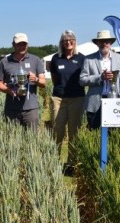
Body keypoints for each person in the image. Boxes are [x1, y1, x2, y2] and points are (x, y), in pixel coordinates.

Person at [80, 30, 120, 130]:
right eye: (101, 41)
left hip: (115, 103)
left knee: (115, 136)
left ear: (110, 43)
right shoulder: (88, 59)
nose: (104, 44)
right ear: (97, 43)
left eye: (107, 41)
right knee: (94, 135)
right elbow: (82, 80)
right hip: (94, 104)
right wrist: (100, 77)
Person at [0, 33, 46, 132]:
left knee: (32, 141)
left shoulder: (35, 60)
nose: (22, 46)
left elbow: (43, 83)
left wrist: (35, 79)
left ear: (27, 45)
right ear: (13, 44)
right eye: (19, 44)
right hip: (11, 108)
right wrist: (10, 91)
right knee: (13, 140)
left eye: (24, 44)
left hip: (31, 108)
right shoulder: (5, 62)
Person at [49, 30, 85, 168]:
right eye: (65, 40)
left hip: (77, 98)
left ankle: (71, 163)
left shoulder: (82, 58)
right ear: (61, 43)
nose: (68, 42)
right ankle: (54, 162)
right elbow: (54, 78)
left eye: (71, 40)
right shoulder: (56, 58)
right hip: (59, 98)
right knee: (57, 130)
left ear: (75, 42)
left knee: (74, 132)